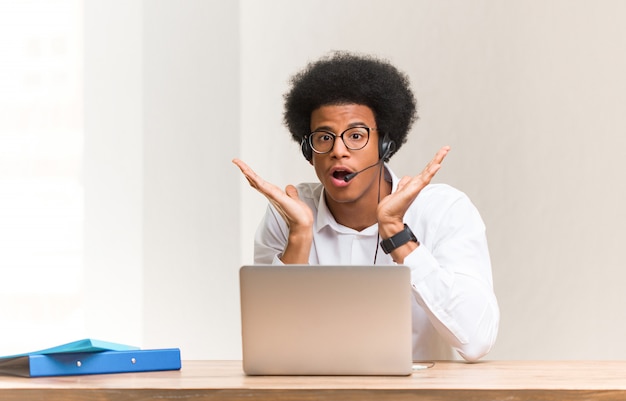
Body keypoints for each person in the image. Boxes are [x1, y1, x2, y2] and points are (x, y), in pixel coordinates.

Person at [233, 51, 499, 362]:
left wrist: (397, 234)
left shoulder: (442, 210)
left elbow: (477, 340)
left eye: (356, 136)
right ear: (309, 150)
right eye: (323, 137)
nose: (338, 151)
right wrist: (299, 237)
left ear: (384, 146)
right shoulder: (290, 215)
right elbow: (268, 350)